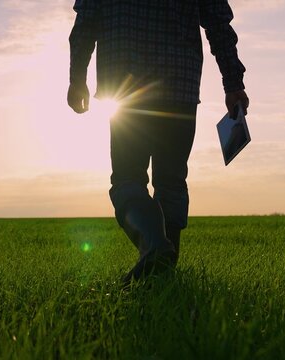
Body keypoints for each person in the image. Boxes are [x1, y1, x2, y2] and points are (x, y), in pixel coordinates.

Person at [67, 0, 249, 283]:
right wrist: (233, 82)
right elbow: (217, 20)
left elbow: (87, 18)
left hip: (126, 85)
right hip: (179, 83)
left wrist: (77, 77)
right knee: (171, 181)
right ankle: (163, 270)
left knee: (127, 179)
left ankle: (154, 248)